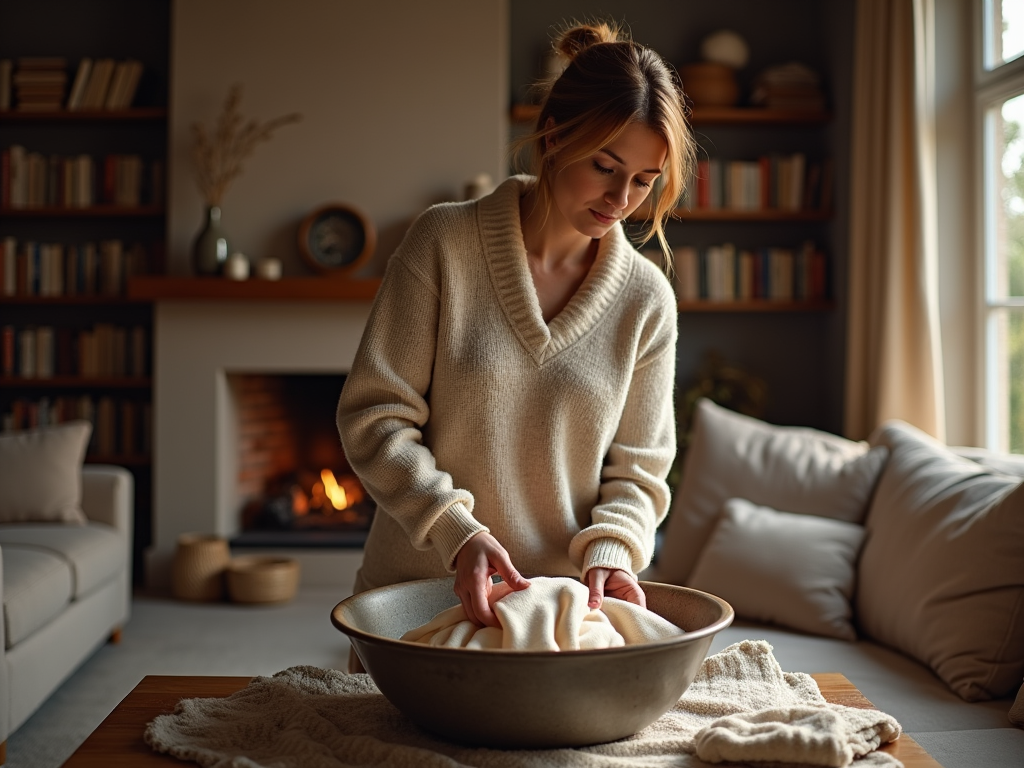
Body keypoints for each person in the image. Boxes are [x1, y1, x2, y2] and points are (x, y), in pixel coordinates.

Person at [336, 21, 695, 655]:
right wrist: (455, 532)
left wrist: (612, 550)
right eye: (605, 167)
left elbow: (640, 472)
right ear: (555, 136)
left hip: (558, 622)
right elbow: (375, 416)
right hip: (418, 605)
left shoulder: (646, 300)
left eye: (643, 181)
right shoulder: (441, 243)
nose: (621, 199)